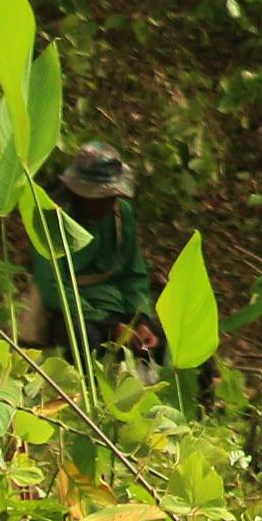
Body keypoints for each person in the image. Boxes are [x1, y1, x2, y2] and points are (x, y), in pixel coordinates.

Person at [37, 144, 167, 372]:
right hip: (69, 311)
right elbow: (51, 286)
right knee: (85, 340)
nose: (105, 203)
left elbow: (133, 276)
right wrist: (110, 326)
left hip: (118, 310)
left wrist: (140, 321)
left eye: (110, 196)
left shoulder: (121, 214)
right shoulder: (52, 217)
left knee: (164, 345)